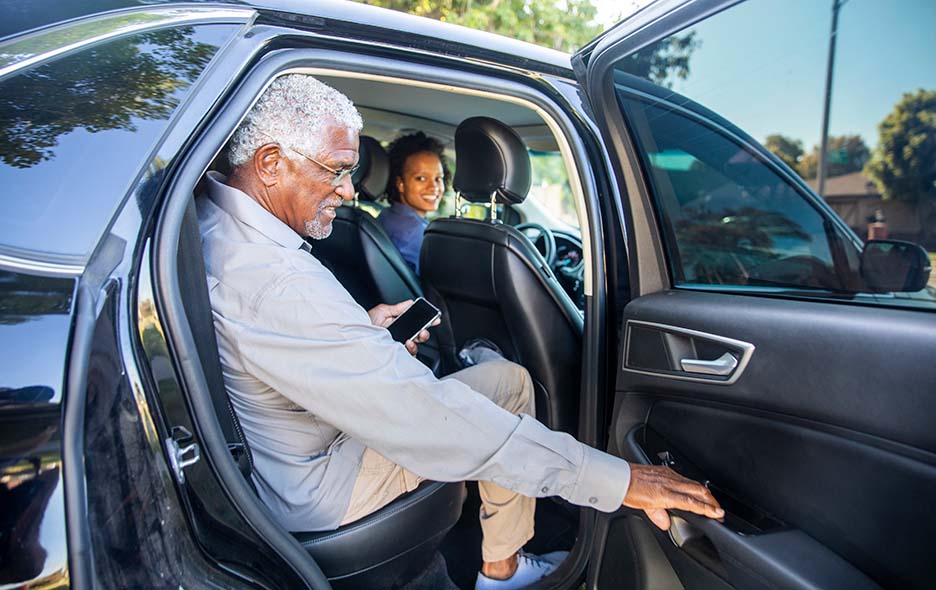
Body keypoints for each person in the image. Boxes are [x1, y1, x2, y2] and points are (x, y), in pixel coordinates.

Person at [197, 74, 723, 590]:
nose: (350, 189)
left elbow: (286, 338)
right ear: (270, 164)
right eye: (337, 170)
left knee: (503, 381)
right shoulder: (278, 281)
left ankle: (503, 566)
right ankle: (503, 569)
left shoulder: (213, 225)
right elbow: (429, 420)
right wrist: (618, 480)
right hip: (325, 484)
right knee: (503, 392)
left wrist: (361, 331)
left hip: (285, 456)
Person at [378, 131, 449, 274]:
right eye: (421, 178)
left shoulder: (387, 215)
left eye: (438, 178)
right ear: (400, 184)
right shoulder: (417, 234)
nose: (434, 188)